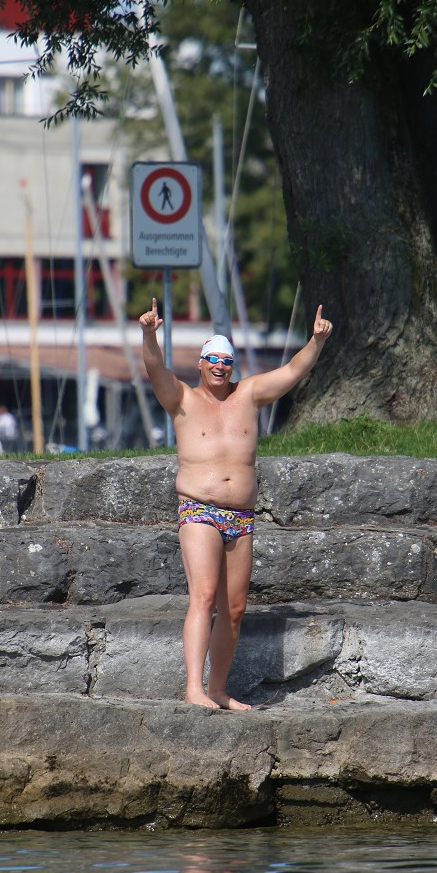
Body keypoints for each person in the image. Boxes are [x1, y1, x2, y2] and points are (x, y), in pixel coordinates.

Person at [139, 297, 333, 710]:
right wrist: (148, 335)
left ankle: (219, 689)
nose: (219, 366)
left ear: (233, 365)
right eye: (212, 359)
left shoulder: (248, 394)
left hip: (241, 517)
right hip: (199, 510)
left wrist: (315, 342)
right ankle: (194, 688)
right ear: (201, 362)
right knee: (204, 597)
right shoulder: (183, 399)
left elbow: (292, 372)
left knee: (234, 609)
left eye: (226, 360)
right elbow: (155, 368)